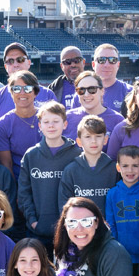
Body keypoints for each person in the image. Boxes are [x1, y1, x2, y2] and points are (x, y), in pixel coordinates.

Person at [17, 101, 82, 249]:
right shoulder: (31, 155)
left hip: (70, 231)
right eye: (46, 122)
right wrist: (33, 220)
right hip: (37, 230)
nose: (51, 125)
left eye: (55, 121)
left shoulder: (76, 153)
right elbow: (23, 193)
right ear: (40, 126)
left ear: (65, 124)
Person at [104, 146, 139, 263]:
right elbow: (110, 224)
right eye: (125, 166)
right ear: (118, 167)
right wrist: (116, 248)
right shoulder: (112, 194)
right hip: (121, 255)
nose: (130, 170)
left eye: (135, 166)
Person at [0, 43, 58, 124]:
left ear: (29, 63)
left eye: (20, 59)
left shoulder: (47, 94)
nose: (15, 64)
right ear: (5, 67)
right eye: (10, 61)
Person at [58, 115, 117, 212]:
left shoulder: (114, 169)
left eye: (98, 136)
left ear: (105, 139)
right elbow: (64, 204)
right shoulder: (71, 170)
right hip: (80, 226)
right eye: (88, 137)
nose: (93, 141)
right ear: (79, 141)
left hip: (108, 225)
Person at [0, 71, 45, 176]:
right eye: (16, 89)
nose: (22, 93)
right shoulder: (2, 125)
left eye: (27, 88)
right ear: (11, 93)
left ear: (35, 92)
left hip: (48, 178)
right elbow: (6, 166)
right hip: (18, 181)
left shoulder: (47, 118)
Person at [65, 71, 124, 138]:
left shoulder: (117, 120)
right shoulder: (67, 118)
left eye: (92, 89)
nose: (86, 94)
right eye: (81, 90)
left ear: (102, 91)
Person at [91, 43, 132, 112]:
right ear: (93, 65)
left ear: (118, 65)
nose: (107, 65)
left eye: (112, 60)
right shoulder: (82, 93)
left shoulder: (130, 92)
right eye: (101, 60)